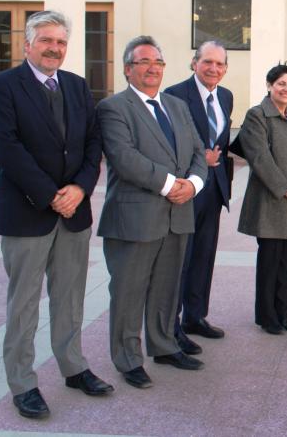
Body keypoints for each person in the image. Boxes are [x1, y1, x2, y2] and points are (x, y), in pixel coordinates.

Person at [0, 10, 112, 419]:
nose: (54, 48)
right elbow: (5, 147)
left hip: (73, 212)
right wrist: (50, 195)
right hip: (27, 212)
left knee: (70, 297)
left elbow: (93, 143)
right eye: (46, 41)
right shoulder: (2, 86)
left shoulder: (76, 86)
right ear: (27, 45)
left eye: (60, 42)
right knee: (24, 302)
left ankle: (73, 366)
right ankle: (22, 382)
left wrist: (79, 189)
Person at [97, 36, 208, 389]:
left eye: (157, 62)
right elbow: (124, 157)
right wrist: (168, 185)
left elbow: (197, 150)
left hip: (178, 214)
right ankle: (128, 359)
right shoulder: (113, 108)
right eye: (143, 62)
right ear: (128, 69)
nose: (152, 68)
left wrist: (192, 184)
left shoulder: (177, 106)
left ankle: (163, 345)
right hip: (135, 217)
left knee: (166, 287)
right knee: (129, 291)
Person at [164, 41, 232, 352]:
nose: (213, 69)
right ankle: (171, 326)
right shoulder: (176, 95)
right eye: (207, 62)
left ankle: (195, 316)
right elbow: (166, 141)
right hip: (187, 188)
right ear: (194, 63)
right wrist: (196, 158)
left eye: (219, 64)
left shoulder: (226, 97)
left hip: (214, 188)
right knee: (180, 258)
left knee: (204, 256)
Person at [237, 63, 287, 334]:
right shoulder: (257, 116)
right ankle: (267, 317)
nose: (286, 89)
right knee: (269, 262)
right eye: (281, 83)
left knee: (286, 262)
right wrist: (286, 190)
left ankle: (283, 313)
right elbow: (260, 158)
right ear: (270, 85)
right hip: (270, 201)